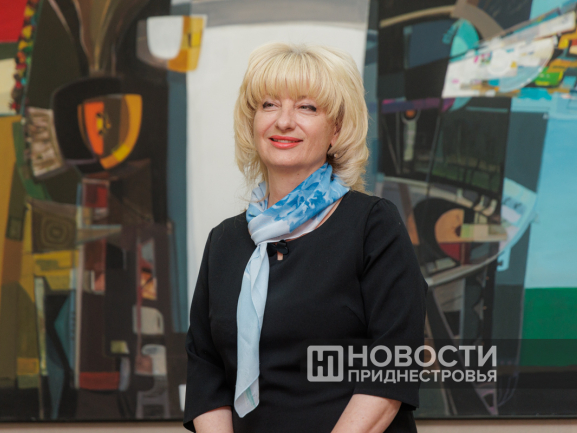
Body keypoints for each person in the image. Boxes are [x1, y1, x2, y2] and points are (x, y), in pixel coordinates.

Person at [183, 42, 428, 433]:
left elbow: (393, 367)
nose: (284, 121)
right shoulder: (224, 241)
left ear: (336, 129)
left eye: (307, 107)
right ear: (252, 122)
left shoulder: (372, 226)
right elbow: (205, 373)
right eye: (269, 105)